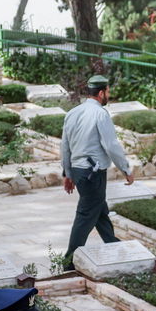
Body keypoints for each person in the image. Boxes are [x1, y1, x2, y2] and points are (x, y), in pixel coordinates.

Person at [60, 74, 134, 260]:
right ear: (101, 93)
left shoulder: (72, 113)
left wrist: (68, 174)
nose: (109, 95)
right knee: (85, 215)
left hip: (79, 171)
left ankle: (113, 245)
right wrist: (126, 169)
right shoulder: (100, 114)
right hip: (93, 174)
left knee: (100, 210)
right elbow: (111, 145)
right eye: (108, 91)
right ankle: (69, 260)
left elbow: (65, 146)